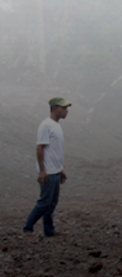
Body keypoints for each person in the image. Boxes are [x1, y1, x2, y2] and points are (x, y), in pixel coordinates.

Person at [22, 97, 72, 238]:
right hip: (48, 172)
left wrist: (60, 169)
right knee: (44, 203)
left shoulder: (56, 125)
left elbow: (54, 150)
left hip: (55, 171)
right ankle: (27, 229)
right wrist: (43, 171)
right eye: (64, 108)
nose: (66, 111)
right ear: (55, 108)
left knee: (51, 203)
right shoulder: (46, 125)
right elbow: (40, 147)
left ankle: (49, 231)